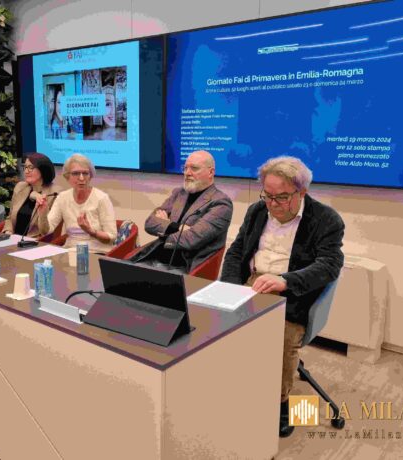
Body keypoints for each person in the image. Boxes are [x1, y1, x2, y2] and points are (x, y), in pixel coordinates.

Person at [220, 156, 345, 438]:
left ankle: (282, 404)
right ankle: (234, 389)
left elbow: (329, 265)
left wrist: (285, 281)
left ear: (302, 192)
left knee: (280, 340)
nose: (273, 204)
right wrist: (229, 288)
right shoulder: (257, 211)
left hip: (294, 293)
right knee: (215, 324)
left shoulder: (325, 219)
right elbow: (237, 252)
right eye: (268, 195)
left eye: (282, 197)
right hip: (252, 284)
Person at [130, 150, 233, 272]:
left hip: (183, 267)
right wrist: (178, 227)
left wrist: (164, 226)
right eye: (185, 168)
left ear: (211, 172)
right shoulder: (179, 193)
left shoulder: (221, 203)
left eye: (194, 168)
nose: (187, 173)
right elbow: (149, 223)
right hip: (153, 256)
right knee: (116, 270)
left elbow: (191, 239)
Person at [46, 153, 116, 253]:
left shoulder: (102, 198)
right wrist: (42, 213)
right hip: (70, 251)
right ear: (67, 176)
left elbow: (111, 237)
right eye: (76, 173)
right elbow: (47, 229)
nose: (82, 178)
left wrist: (90, 231)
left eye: (85, 173)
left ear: (90, 176)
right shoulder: (62, 198)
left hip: (96, 252)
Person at [2, 153, 56, 238]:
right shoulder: (20, 187)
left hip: (34, 242)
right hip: (12, 239)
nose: (26, 171)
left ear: (43, 170)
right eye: (25, 167)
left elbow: (46, 230)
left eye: (31, 167)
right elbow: (10, 217)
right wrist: (8, 231)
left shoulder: (53, 194)